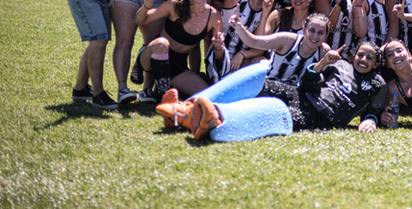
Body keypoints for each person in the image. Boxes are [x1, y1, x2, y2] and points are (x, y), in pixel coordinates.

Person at [156, 41, 388, 139]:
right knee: (260, 80)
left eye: (369, 57)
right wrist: (322, 64)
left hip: (321, 117)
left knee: (276, 112)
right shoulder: (339, 64)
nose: (363, 59)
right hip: (303, 95)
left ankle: (213, 119)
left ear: (376, 64)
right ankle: (184, 108)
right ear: (354, 55)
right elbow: (307, 84)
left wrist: (371, 121)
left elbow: (374, 112)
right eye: (361, 54)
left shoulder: (378, 84)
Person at [134, 0, 222, 102]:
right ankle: (161, 92)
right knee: (162, 44)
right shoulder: (175, 5)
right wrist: (147, 5)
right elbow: (140, 20)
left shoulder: (214, 16)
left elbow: (220, 56)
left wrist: (219, 47)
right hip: (153, 55)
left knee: (207, 96)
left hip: (178, 66)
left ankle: (168, 88)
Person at [207, 0, 276, 76]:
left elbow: (259, 45)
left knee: (264, 64)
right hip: (220, 53)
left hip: (241, 61)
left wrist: (265, 13)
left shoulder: (267, 6)